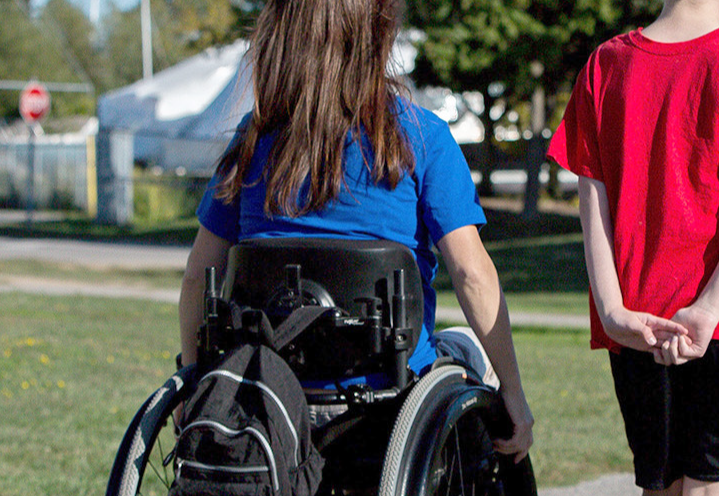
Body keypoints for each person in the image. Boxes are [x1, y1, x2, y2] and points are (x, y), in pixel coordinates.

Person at [176, 0, 532, 463]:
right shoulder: (421, 136)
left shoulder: (252, 139)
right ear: (378, 35)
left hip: (270, 391)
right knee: (466, 346)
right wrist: (514, 392)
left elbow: (197, 277)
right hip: (389, 395)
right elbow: (472, 274)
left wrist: (193, 380)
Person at [546, 0, 719, 493]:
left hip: (638, 320)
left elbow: (592, 203)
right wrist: (709, 309)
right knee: (712, 486)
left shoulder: (605, 64)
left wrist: (611, 311)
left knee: (661, 484)